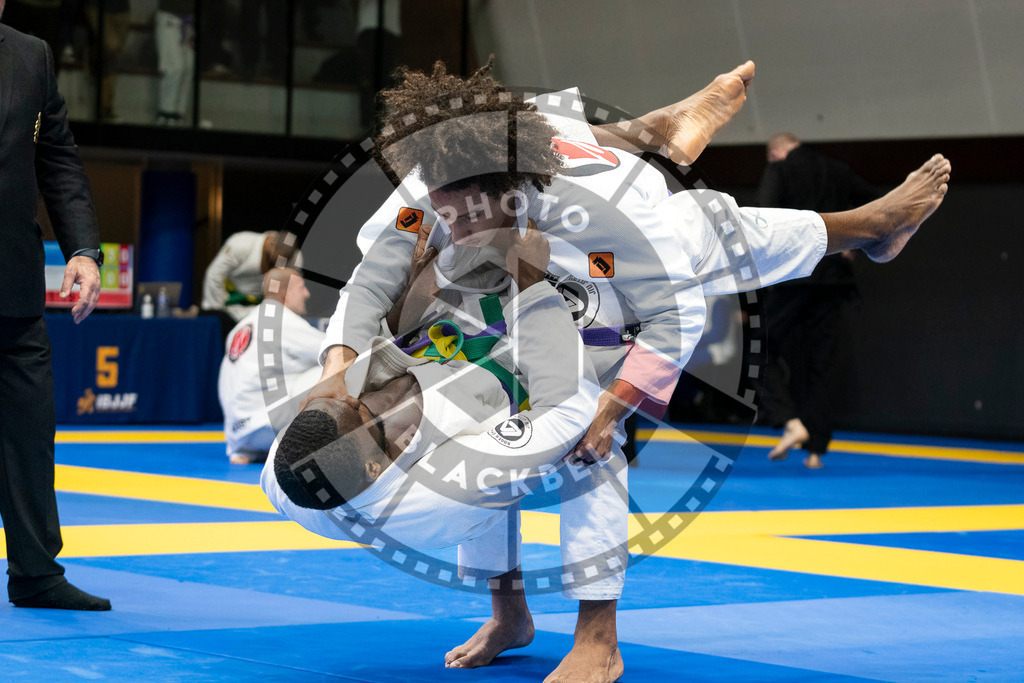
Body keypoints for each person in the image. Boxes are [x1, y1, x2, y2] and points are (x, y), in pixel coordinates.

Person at [301, 61, 950, 683]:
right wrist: (338, 368)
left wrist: (611, 411)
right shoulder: (436, 177)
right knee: (479, 414)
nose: (448, 218)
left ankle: (598, 638)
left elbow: (674, 320)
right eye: (443, 207)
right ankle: (509, 613)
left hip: (632, 266)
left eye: (468, 209)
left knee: (595, 422)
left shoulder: (610, 218)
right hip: (524, 286)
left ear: (518, 191)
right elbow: (372, 276)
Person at [265, 221, 602, 588]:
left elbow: (369, 363)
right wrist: (532, 283)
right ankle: (595, 628)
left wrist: (412, 296)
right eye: (362, 410)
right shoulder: (449, 490)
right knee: (596, 444)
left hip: (443, 360)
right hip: (496, 414)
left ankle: (510, 619)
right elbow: (566, 408)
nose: (354, 399)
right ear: (375, 467)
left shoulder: (286, 466)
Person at [0, 5, 110, 610]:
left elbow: (59, 161)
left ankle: (37, 573)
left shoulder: (30, 55)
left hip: (11, 285)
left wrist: (84, 252)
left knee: (29, 432)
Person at [756, 133, 880, 469]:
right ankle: (816, 450)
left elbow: (762, 219)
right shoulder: (837, 170)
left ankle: (790, 422)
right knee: (823, 362)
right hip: (835, 278)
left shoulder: (780, 170)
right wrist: (854, 242)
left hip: (796, 275)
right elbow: (875, 203)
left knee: (759, 349)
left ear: (775, 152)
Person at [219, 268, 324, 464]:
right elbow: (336, 352)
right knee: (339, 366)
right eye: (301, 287)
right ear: (286, 292)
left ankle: (243, 451)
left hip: (239, 438)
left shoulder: (239, 328)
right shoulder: (283, 320)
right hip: (271, 429)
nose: (306, 294)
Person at [202, 230, 299, 322]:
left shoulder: (295, 260)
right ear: (271, 244)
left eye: (285, 259)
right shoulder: (241, 244)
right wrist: (218, 310)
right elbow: (215, 275)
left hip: (259, 308)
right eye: (277, 258)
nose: (280, 263)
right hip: (229, 300)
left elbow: (290, 291)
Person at [154, 0, 195, 126]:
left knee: (188, 68)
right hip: (169, 17)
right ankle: (166, 113)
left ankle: (178, 114)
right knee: (174, 68)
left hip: (190, 20)